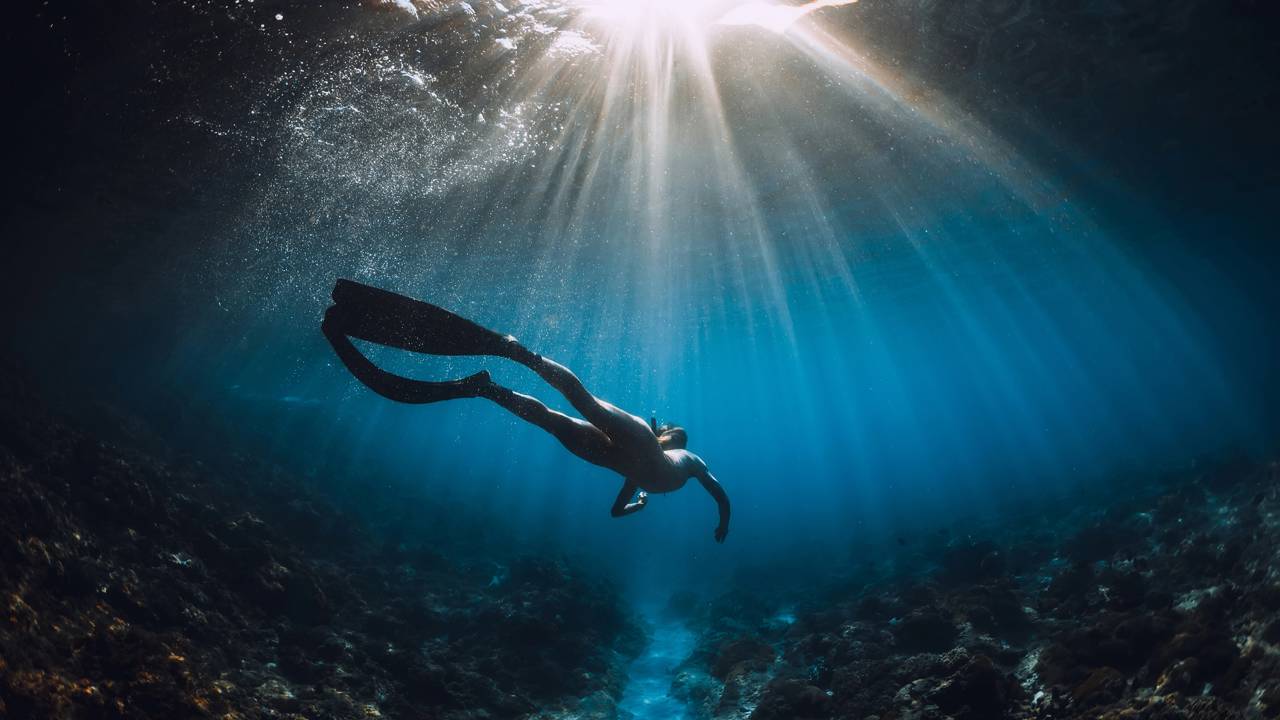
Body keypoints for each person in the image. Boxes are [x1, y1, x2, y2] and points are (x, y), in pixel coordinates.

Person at [320, 279, 730, 542]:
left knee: (555, 419)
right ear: (675, 438)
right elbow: (718, 494)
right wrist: (722, 523)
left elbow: (616, 511)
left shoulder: (642, 476)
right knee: (574, 405)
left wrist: (639, 505)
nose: (673, 433)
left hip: (621, 457)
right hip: (635, 448)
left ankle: (490, 386)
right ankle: (519, 357)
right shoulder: (688, 458)